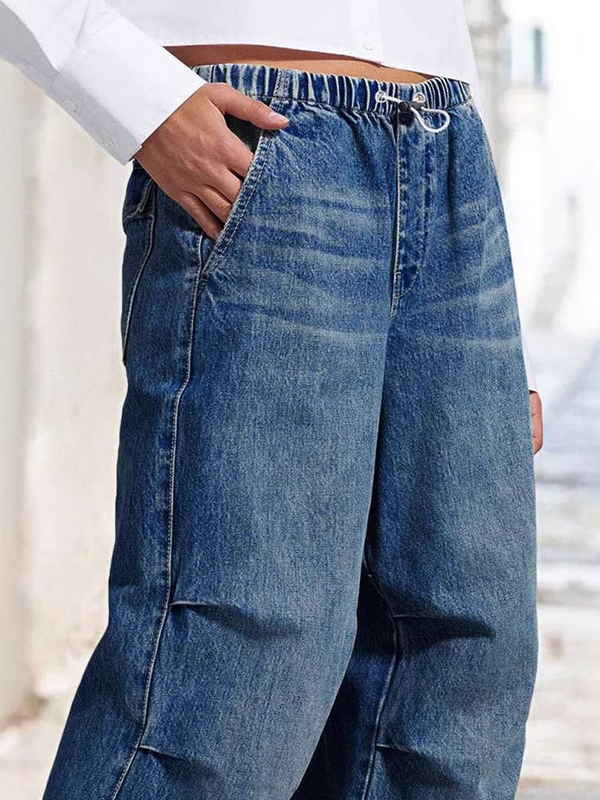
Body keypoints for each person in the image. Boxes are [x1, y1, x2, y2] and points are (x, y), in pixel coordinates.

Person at [0, 2, 544, 798]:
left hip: (447, 145)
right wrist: (135, 94)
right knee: (227, 669)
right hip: (265, 140)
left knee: (460, 664)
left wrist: (464, 297)